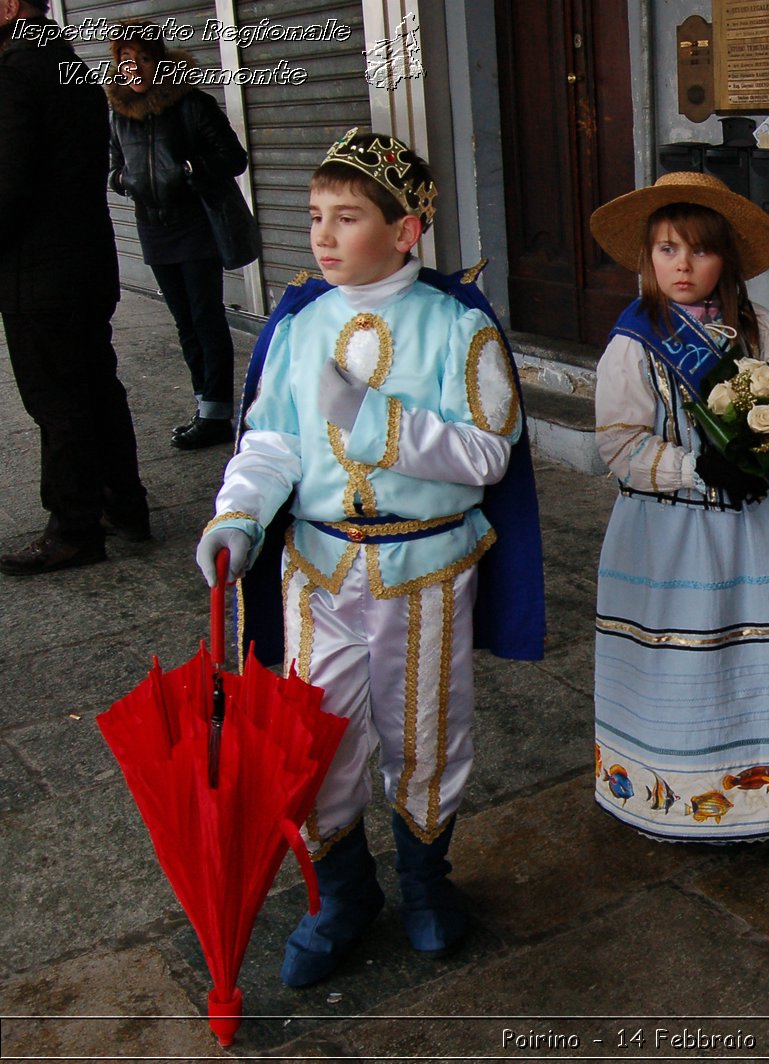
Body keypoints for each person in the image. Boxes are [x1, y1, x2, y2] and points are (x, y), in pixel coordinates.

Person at [194, 128, 545, 987]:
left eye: (346, 217)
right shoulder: (299, 322)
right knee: (318, 737)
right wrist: (237, 519)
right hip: (318, 571)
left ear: (407, 229)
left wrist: (378, 426)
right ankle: (339, 895)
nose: (322, 234)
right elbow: (271, 438)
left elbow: (488, 453)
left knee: (425, 731)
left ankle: (427, 885)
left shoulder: (458, 328)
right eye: (316, 215)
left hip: (425, 573)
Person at [586, 171, 769, 842]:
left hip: (747, 525)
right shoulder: (634, 341)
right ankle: (662, 796)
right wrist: (694, 465)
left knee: (746, 649)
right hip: (666, 534)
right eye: (665, 249)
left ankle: (761, 801)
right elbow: (619, 443)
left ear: (727, 260)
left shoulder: (756, 326)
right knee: (676, 654)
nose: (682, 266)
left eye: (699, 250)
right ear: (648, 259)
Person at [0, 0, 148, 575]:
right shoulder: (66, 62)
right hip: (85, 263)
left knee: (57, 401)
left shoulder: (15, 71)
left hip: (38, 274)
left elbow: (9, 186)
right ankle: (124, 505)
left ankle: (73, 527)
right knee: (96, 387)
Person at [107, 19, 250, 450]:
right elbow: (113, 165)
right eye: (126, 60)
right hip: (154, 227)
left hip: (195, 226)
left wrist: (189, 169)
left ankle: (217, 414)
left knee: (206, 318)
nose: (135, 69)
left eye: (144, 59)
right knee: (184, 321)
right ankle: (204, 406)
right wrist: (124, 180)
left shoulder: (192, 104)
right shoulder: (118, 112)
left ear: (160, 61)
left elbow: (233, 157)